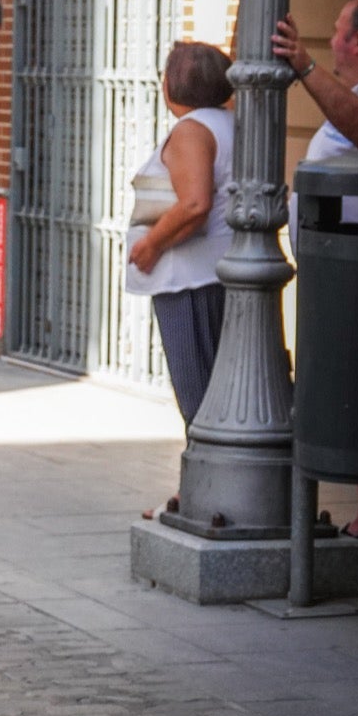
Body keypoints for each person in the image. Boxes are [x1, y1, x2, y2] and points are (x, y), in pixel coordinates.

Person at [273, 0, 358, 568]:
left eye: (338, 30)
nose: (332, 40)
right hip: (343, 265)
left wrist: (305, 66)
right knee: (356, 384)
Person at [125, 42, 236, 521]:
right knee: (215, 394)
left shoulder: (191, 130)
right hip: (213, 275)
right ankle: (196, 491)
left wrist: (150, 246)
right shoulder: (230, 124)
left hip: (189, 281)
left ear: (169, 86)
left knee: (198, 397)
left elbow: (194, 204)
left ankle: (206, 500)